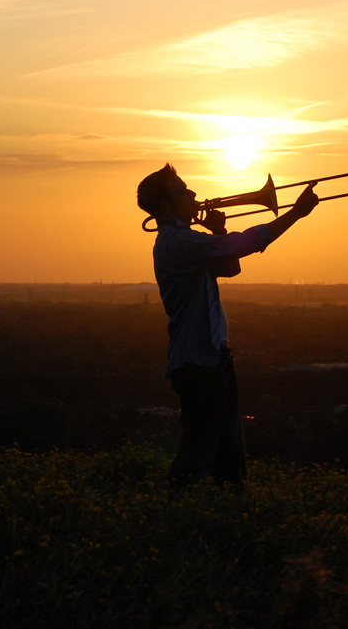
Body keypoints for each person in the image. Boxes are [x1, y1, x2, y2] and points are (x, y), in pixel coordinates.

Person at [136, 163, 318, 486]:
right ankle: (174, 511)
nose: (193, 194)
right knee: (198, 452)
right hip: (198, 364)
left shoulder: (188, 243)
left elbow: (231, 267)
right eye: (182, 191)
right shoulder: (178, 243)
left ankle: (222, 517)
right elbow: (247, 244)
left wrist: (218, 232)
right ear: (165, 205)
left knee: (229, 457)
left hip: (212, 361)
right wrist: (295, 215)